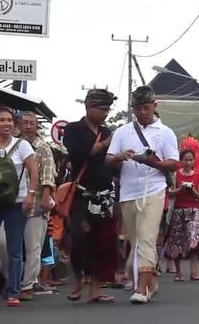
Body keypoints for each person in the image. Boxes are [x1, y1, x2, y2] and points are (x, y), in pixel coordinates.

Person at [106, 86, 180, 304]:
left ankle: (143, 288)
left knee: (147, 238)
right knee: (136, 241)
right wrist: (120, 156)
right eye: (137, 108)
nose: (142, 112)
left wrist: (152, 161)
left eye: (146, 107)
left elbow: (173, 163)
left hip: (154, 189)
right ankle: (151, 281)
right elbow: (108, 160)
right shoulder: (122, 132)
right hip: (128, 191)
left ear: (154, 106)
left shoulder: (165, 133)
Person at [64, 90, 119, 303]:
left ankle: (95, 289)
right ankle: (78, 277)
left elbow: (111, 161)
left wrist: (119, 157)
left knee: (103, 241)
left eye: (107, 109)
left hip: (104, 193)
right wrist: (105, 144)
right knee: (79, 237)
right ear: (88, 107)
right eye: (102, 109)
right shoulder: (73, 129)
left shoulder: (107, 131)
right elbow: (79, 153)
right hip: (82, 193)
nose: (105, 113)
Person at [0, 106, 39, 306]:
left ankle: (13, 291)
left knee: (14, 249)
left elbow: (34, 171)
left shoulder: (22, 146)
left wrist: (31, 195)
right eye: (2, 120)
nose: (7, 123)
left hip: (16, 203)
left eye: (10, 120)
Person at [16, 112, 56, 300]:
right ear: (19, 125)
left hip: (36, 202)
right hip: (11, 202)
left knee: (34, 246)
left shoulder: (43, 148)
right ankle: (12, 281)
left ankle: (28, 284)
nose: (28, 126)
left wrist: (45, 201)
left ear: (37, 126)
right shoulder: (12, 145)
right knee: (4, 242)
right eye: (24, 123)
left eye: (32, 123)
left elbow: (48, 177)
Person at [165, 147, 199, 282]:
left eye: (190, 160)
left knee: (194, 241)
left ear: (194, 161)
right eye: (185, 160)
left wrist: (192, 190)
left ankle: (194, 272)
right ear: (181, 161)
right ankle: (178, 272)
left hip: (192, 211)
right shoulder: (175, 174)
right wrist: (180, 188)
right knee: (176, 241)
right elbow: (169, 193)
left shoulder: (198, 175)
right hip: (178, 210)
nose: (188, 162)